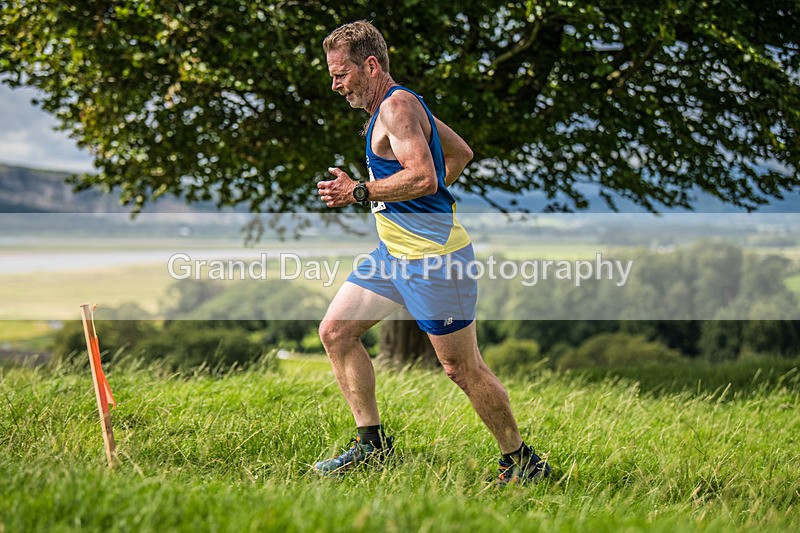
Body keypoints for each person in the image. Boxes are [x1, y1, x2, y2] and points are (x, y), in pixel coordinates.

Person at [314, 20, 551, 485]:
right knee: (336, 332)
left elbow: (424, 177)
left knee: (461, 368)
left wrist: (360, 191)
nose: (336, 85)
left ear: (371, 64)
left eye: (341, 74)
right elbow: (459, 153)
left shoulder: (397, 107)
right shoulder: (396, 105)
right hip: (393, 255)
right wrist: (413, 207)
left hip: (434, 261)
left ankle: (522, 462)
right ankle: (372, 446)